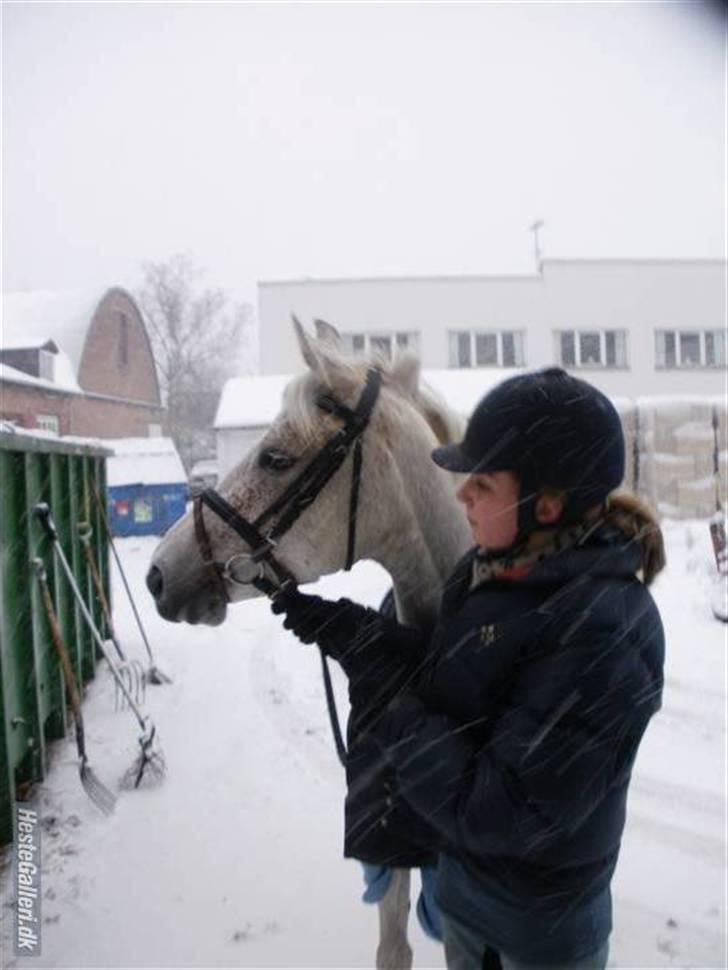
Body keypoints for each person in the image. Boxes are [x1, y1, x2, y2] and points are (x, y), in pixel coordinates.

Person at [271, 367, 665, 970]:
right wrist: (359, 635)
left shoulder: (603, 631)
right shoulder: (488, 573)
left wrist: (391, 697)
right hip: (467, 909)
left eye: (482, 483)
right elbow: (458, 688)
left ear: (548, 505)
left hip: (537, 937)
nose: (462, 496)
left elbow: (498, 811)